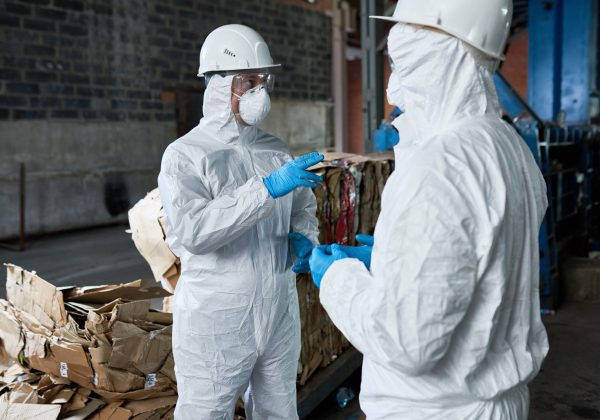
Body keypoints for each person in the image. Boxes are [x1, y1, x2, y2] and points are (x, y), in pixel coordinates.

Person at [309, 1, 549, 418]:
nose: (393, 85)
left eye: (406, 53)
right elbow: (482, 265)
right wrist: (389, 262)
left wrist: (338, 278)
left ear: (447, 51)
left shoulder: (440, 166)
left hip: (436, 409)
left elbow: (406, 343)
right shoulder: (508, 146)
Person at [158, 24, 322, 419]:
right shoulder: (186, 155)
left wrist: (304, 237)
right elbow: (194, 232)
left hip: (278, 309)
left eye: (264, 80)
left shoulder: (274, 149)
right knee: (205, 411)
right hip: (218, 318)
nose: (259, 92)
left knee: (279, 409)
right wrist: (263, 190)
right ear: (219, 85)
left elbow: (303, 207)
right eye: (248, 81)